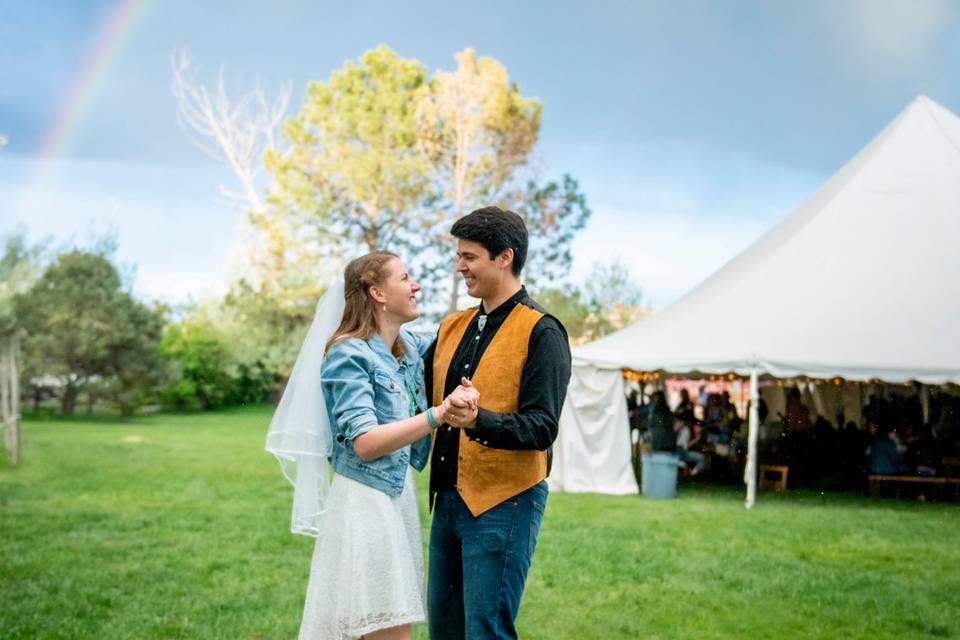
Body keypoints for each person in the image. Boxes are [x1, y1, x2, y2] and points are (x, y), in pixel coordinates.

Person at [266, 251, 478, 640]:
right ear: (378, 292)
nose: (415, 286)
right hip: (365, 503)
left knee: (388, 623)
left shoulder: (409, 348)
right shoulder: (347, 354)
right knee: (387, 627)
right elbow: (364, 443)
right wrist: (439, 414)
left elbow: (458, 341)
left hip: (397, 499)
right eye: (405, 278)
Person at [425, 206, 572, 640]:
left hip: (505, 504)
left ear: (504, 257)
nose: (460, 267)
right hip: (446, 502)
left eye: (469, 257)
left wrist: (479, 419)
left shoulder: (543, 331)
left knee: (485, 631)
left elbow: (542, 427)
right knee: (444, 630)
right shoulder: (452, 326)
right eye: (459, 256)